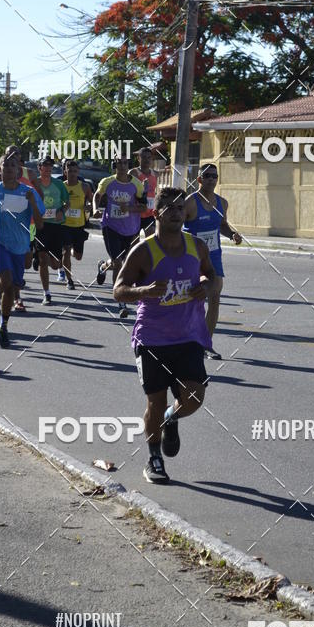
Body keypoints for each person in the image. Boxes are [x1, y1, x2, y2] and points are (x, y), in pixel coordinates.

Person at [114, 186, 216, 484]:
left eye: (180, 207)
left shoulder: (196, 246)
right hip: (152, 338)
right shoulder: (144, 250)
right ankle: (154, 458)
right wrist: (142, 291)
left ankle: (173, 417)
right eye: (169, 207)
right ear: (156, 212)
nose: (175, 212)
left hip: (188, 336)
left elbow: (209, 274)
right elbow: (118, 290)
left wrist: (206, 286)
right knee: (154, 404)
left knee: (195, 397)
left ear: (186, 213)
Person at [183, 163, 242, 359]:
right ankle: (186, 338)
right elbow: (176, 226)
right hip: (192, 256)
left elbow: (222, 225)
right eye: (207, 176)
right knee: (194, 299)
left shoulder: (222, 203)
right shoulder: (190, 202)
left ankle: (206, 344)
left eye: (214, 176)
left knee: (215, 297)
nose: (211, 179)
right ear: (199, 179)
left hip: (213, 256)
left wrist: (232, 234)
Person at [0, 153, 44, 346]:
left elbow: (40, 225)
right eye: (5, 165)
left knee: (12, 287)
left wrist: (32, 202)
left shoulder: (28, 192)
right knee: (6, 281)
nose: (8, 169)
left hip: (20, 245)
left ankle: (4, 324)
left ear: (18, 170)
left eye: (12, 166)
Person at [94, 157, 146, 318]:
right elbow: (97, 194)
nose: (122, 166)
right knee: (118, 263)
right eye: (119, 163)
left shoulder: (136, 184)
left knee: (120, 261)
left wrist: (129, 208)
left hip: (131, 229)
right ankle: (120, 300)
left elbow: (144, 207)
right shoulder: (107, 182)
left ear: (128, 165)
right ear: (114, 165)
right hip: (111, 227)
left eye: (125, 163)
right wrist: (95, 208)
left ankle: (103, 267)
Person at [32, 155, 69, 305]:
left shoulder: (59, 184)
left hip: (56, 225)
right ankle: (46, 293)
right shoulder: (35, 184)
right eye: (44, 166)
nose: (47, 168)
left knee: (54, 264)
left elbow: (67, 202)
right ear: (39, 168)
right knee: (43, 260)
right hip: (40, 226)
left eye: (50, 166)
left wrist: (62, 210)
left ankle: (40, 256)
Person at [61, 160, 93, 290]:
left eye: (75, 171)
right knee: (66, 251)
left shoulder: (84, 187)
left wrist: (88, 207)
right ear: (65, 172)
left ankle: (72, 250)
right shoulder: (61, 186)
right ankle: (69, 280)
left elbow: (90, 202)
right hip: (64, 225)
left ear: (78, 172)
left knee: (78, 256)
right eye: (70, 171)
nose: (72, 174)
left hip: (79, 225)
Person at [129, 147, 158, 237]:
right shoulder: (133, 173)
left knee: (151, 237)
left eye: (149, 157)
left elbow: (155, 192)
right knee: (134, 240)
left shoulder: (155, 174)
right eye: (144, 157)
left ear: (152, 159)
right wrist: (140, 187)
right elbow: (128, 191)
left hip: (150, 213)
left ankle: (148, 251)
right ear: (138, 158)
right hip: (136, 212)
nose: (147, 160)